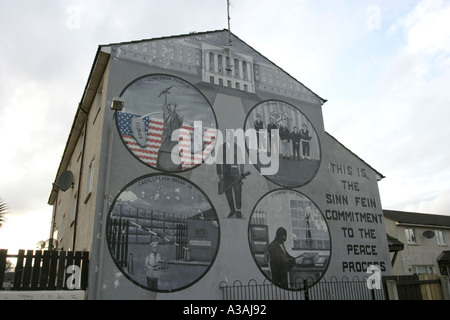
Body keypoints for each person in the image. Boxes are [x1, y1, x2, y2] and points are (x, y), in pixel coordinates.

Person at [216, 140, 245, 219]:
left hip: (236, 174)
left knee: (238, 192)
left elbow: (241, 160)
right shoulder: (222, 147)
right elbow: (218, 160)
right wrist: (219, 173)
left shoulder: (237, 147)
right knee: (228, 193)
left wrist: (242, 173)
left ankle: (238, 211)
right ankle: (232, 210)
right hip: (226, 174)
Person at [157, 101, 184, 170]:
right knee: (165, 144)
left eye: (173, 106)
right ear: (169, 106)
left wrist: (180, 121)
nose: (172, 107)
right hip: (167, 134)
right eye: (171, 105)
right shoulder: (167, 113)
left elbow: (178, 125)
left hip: (174, 135)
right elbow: (164, 107)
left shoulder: (176, 115)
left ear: (175, 107)